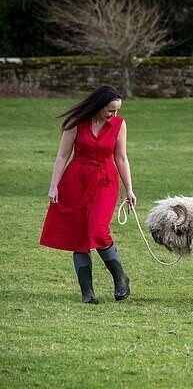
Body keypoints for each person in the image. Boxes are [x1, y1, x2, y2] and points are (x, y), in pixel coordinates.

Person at [40, 85, 136, 304]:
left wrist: (129, 189)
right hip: (76, 181)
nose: (114, 115)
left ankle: (120, 278)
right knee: (79, 235)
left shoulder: (119, 125)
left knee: (98, 230)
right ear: (98, 105)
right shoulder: (76, 122)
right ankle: (87, 292)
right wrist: (54, 185)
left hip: (105, 181)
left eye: (117, 110)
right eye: (111, 110)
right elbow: (62, 156)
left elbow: (121, 158)